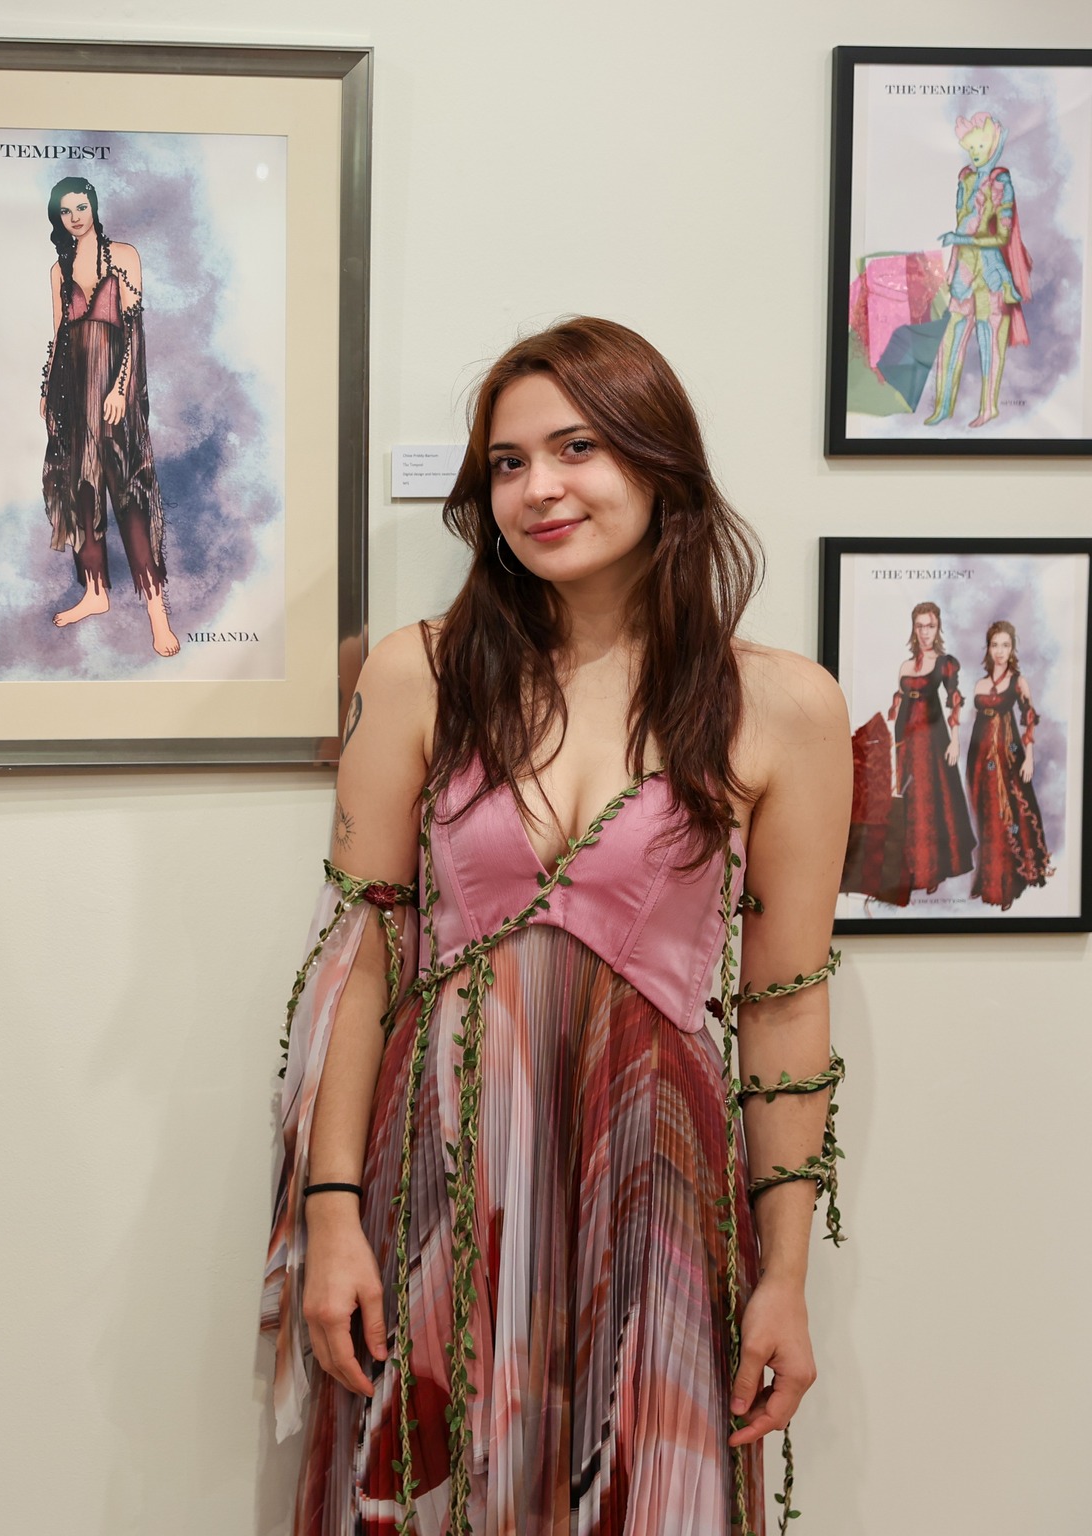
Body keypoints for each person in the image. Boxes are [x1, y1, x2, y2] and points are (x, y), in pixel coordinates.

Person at [263, 318, 850, 1534]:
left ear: (655, 460)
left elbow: (784, 1007)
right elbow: (359, 961)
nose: (538, 488)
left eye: (573, 447)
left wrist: (784, 1278)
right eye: (506, 464)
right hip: (432, 1179)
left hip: (653, 1193)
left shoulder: (783, 706)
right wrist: (330, 1215)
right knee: (422, 1495)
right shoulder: (419, 674)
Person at [40, 175, 179, 657]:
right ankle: (95, 592)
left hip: (114, 395)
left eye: (81, 206)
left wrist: (121, 388)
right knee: (80, 493)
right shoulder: (58, 271)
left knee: (130, 496)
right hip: (73, 394)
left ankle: (158, 615)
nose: (74, 216)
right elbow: (59, 337)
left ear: (93, 207)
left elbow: (136, 330)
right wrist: (46, 393)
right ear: (58, 218)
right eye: (65, 211)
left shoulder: (124, 256)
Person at [923, 111, 1032, 429]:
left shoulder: (1001, 180)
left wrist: (958, 237)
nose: (974, 151)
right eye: (970, 145)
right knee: (949, 340)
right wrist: (952, 266)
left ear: (994, 143)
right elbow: (962, 222)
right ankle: (943, 406)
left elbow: (1001, 236)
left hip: (992, 276)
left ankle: (989, 408)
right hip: (961, 275)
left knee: (989, 342)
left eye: (980, 144)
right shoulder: (965, 178)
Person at [887, 600, 976, 894]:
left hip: (932, 741)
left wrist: (955, 740)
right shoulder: (904, 665)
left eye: (930, 626)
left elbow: (953, 701)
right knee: (909, 799)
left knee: (930, 800)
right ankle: (911, 867)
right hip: (905, 743)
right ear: (914, 628)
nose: (925, 632)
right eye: (920, 625)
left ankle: (932, 870)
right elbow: (899, 703)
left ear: (938, 628)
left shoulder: (944, 662)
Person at [965, 618, 1051, 909]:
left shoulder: (1018, 681)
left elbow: (1028, 719)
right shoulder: (979, 683)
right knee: (986, 816)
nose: (1000, 651)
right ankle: (986, 878)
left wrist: (1029, 757)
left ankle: (1007, 882)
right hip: (979, 760)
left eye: (1005, 645)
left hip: (1008, 757)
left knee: (1008, 814)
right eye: (994, 645)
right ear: (988, 648)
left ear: (1012, 648)